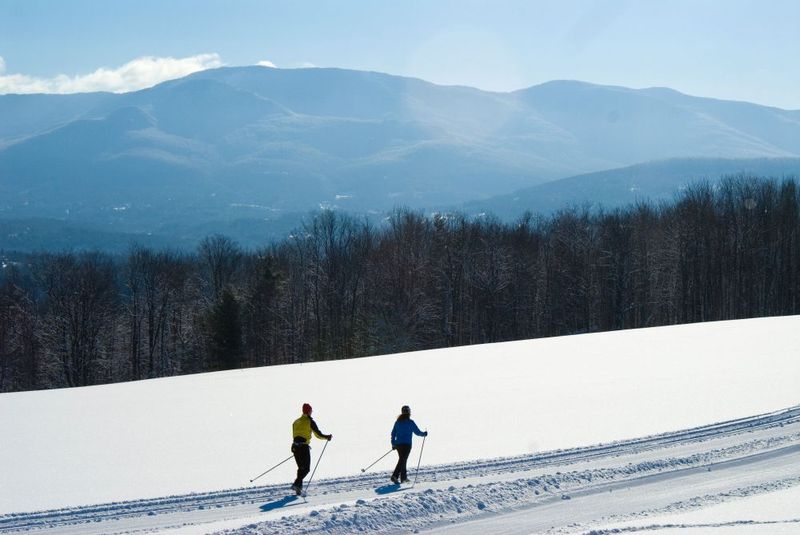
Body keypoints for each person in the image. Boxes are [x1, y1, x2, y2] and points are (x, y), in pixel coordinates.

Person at [291, 403, 332, 495]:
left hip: (294, 446)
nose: (311, 413)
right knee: (306, 469)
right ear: (309, 411)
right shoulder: (310, 421)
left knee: (301, 468)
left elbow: (294, 435)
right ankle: (296, 484)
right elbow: (318, 434)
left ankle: (298, 489)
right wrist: (327, 437)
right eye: (311, 411)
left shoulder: (295, 422)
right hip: (303, 447)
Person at [390, 405, 427, 484]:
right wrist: (424, 434)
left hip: (398, 444)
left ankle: (403, 478)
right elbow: (417, 432)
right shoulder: (410, 422)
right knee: (402, 460)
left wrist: (393, 444)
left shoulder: (398, 422)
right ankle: (395, 476)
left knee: (402, 459)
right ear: (409, 412)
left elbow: (393, 434)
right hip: (407, 445)